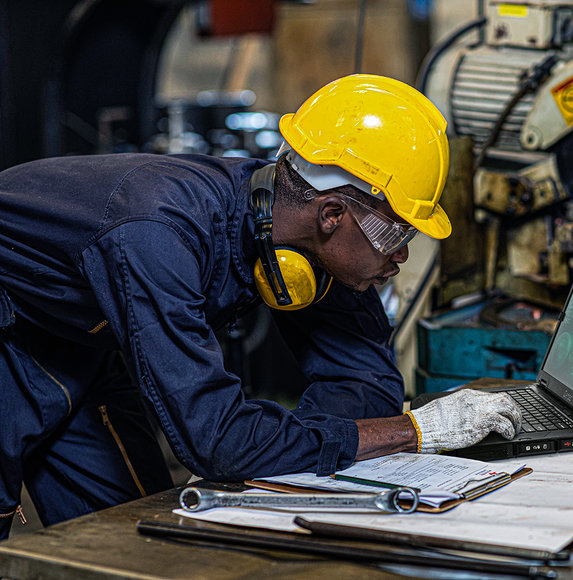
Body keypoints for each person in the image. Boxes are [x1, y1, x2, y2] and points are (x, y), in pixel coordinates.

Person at [0, 74, 522, 539]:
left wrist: (304, 466)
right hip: (10, 338)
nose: (402, 254)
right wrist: (416, 433)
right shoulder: (158, 234)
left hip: (80, 343)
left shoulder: (298, 233)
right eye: (396, 230)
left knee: (131, 540)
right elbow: (216, 441)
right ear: (333, 213)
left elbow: (363, 386)